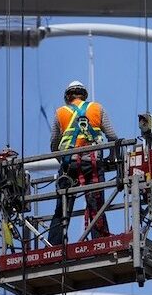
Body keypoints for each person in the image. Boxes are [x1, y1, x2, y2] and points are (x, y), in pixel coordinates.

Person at [48, 80, 119, 246]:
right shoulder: (97, 108)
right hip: (93, 165)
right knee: (96, 206)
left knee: (62, 208)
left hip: (69, 166)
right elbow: (113, 137)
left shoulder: (60, 113)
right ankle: (100, 242)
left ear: (68, 97)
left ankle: (55, 246)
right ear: (84, 95)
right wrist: (110, 157)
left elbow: (53, 144)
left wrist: (64, 161)